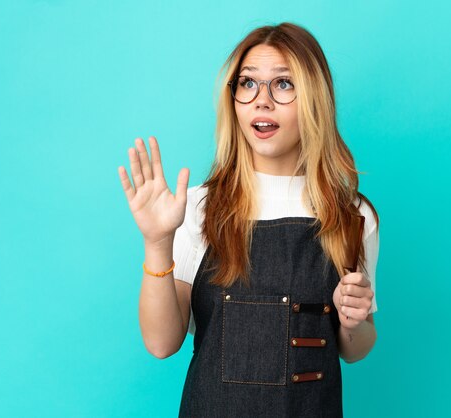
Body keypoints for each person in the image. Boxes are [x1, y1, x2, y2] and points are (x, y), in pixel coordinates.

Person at [118, 22, 380, 418]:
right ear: (233, 99)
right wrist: (157, 243)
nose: (262, 101)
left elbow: (354, 348)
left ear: (315, 98)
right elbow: (161, 343)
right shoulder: (199, 207)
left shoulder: (353, 215)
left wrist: (354, 321)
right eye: (248, 83)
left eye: (284, 84)